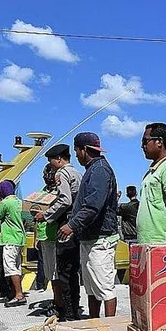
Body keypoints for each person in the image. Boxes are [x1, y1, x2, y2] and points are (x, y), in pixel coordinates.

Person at [58, 133, 120, 318]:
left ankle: (110, 329)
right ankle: (94, 322)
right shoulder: (92, 169)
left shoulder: (99, 170)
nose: (76, 155)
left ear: (84, 149)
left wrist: (71, 225)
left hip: (101, 240)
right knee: (92, 288)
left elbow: (93, 206)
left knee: (104, 288)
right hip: (90, 238)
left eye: (77, 150)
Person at [37, 144, 83, 320]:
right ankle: (75, 307)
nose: (51, 165)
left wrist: (46, 214)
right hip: (77, 223)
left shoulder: (62, 174)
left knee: (63, 271)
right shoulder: (77, 173)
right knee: (73, 270)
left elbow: (64, 200)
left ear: (58, 159)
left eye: (51, 161)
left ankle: (67, 312)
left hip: (66, 224)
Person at [0, 180, 26, 307]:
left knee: (10, 268)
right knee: (17, 267)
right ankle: (15, 293)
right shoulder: (19, 202)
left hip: (9, 239)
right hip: (20, 238)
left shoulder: (5, 203)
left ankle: (18, 295)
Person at [34, 164, 58, 305]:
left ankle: (59, 301)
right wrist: (36, 236)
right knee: (49, 271)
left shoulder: (59, 192)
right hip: (44, 235)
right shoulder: (42, 192)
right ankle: (55, 299)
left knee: (56, 271)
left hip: (55, 235)